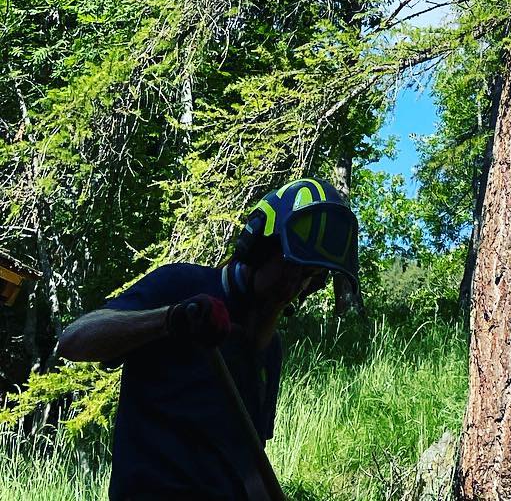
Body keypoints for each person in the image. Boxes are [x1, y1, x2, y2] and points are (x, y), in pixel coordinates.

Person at [57, 177, 361, 501]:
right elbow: (73, 340)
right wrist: (170, 319)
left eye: (308, 278)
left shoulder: (269, 349)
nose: (293, 287)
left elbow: (250, 465)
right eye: (289, 267)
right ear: (258, 248)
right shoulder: (180, 285)